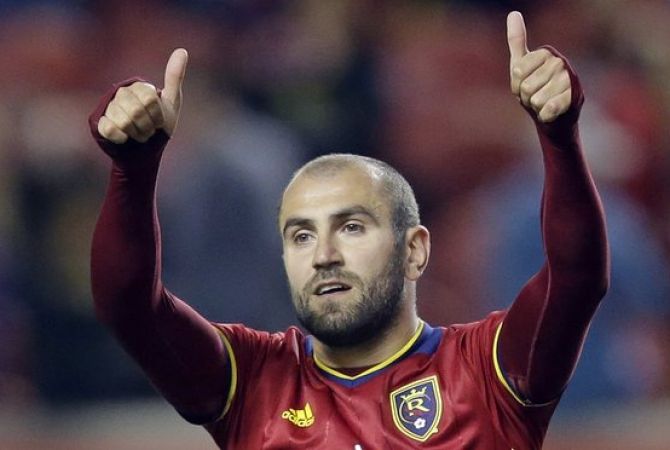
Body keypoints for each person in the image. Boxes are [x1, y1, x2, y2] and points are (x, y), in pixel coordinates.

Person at [88, 11, 608, 449]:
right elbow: (131, 307)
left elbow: (576, 277)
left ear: (414, 250)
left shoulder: (488, 372)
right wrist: (133, 169)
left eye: (352, 227)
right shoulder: (253, 380)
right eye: (301, 236)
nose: (324, 255)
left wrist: (559, 135)